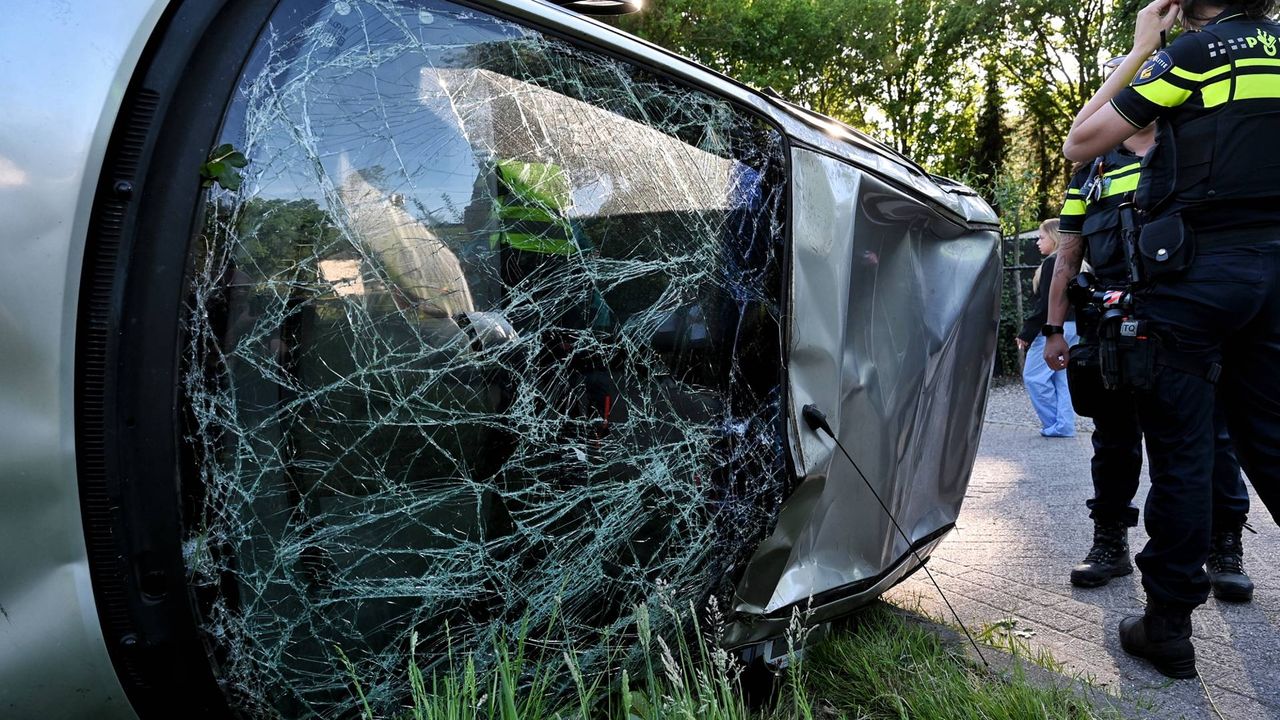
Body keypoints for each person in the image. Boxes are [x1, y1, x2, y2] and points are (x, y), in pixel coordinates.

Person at [1053, 0, 1280, 679]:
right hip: (1275, 275)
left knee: (1182, 450)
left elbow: (1080, 140)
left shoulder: (1191, 56)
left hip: (1195, 276)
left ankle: (1168, 628)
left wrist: (1141, 49)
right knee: (1271, 443)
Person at [1053, 112, 1254, 597]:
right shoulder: (1090, 172)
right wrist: (1053, 328)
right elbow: (1068, 254)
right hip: (1111, 324)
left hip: (1188, 320)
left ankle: (1224, 546)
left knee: (1210, 435)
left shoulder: (1196, 152)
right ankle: (1110, 543)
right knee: (1114, 440)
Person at [1017, 219, 1078, 438]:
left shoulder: (1054, 262)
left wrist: (1027, 333)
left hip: (1054, 328)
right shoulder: (1077, 262)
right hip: (1073, 326)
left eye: (1041, 237)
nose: (1037, 242)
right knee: (1062, 379)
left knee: (1034, 377)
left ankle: (1054, 424)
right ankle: (1064, 426)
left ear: (1054, 237)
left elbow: (1047, 303)